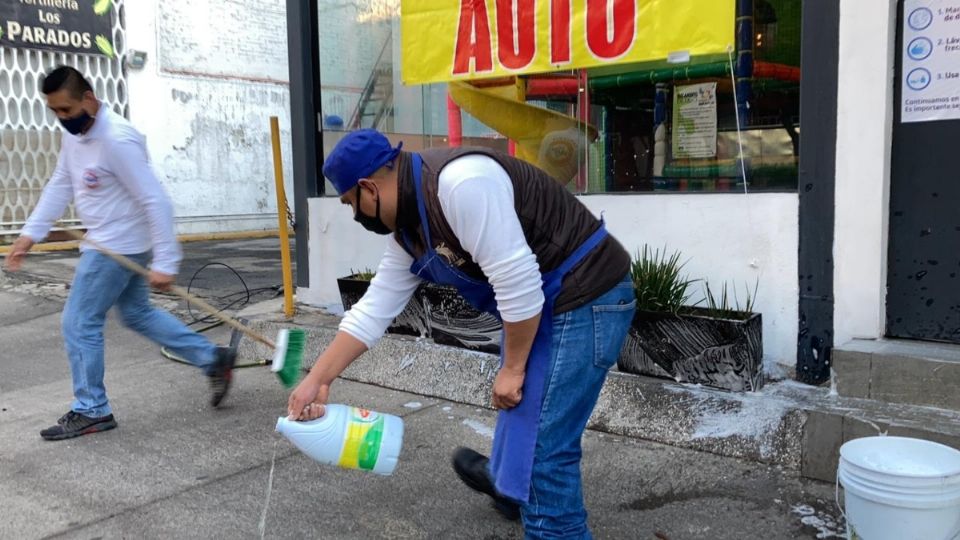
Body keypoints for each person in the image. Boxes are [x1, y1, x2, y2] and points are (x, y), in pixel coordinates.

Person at [287, 129, 636, 538]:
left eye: (351, 204)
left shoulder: (460, 185)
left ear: (367, 187)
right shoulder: (410, 230)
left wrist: (514, 367)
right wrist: (318, 379)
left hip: (587, 294)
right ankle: (511, 484)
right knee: (522, 408)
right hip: (544, 301)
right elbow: (373, 310)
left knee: (543, 450)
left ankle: (538, 503)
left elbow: (518, 285)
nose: (355, 215)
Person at [3, 66, 236, 441]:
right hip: (118, 241)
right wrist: (30, 234)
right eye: (55, 112)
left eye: (66, 109)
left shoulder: (116, 139)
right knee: (136, 313)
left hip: (117, 245)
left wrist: (166, 261)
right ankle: (213, 359)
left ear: (89, 99)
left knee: (79, 322)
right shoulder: (77, 138)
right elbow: (61, 183)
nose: (62, 119)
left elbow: (154, 199)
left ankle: (92, 409)